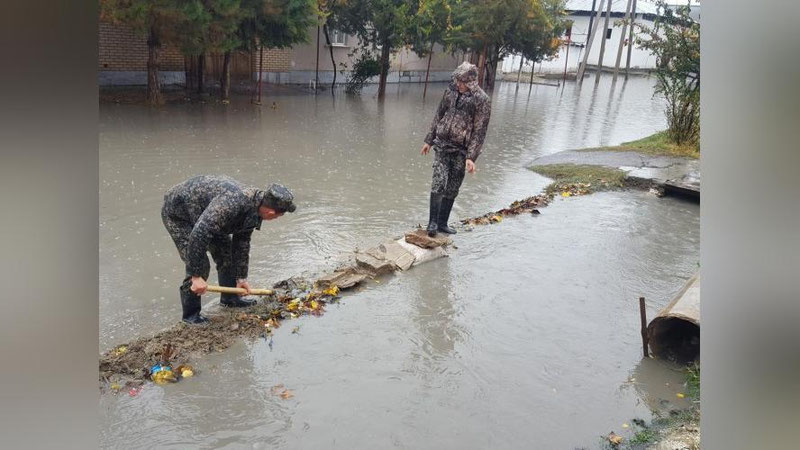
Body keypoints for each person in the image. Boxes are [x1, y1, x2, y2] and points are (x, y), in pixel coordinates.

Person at [161, 175, 296, 324]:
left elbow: (242, 242)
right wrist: (196, 276)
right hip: (179, 214)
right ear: (271, 213)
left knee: (227, 255)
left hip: (207, 215)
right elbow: (199, 234)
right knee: (200, 265)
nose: (276, 219)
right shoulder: (232, 204)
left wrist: (241, 278)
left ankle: (230, 299)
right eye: (278, 216)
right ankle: (190, 316)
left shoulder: (255, 207)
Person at [420, 61, 492, 237]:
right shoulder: (451, 91)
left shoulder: (482, 100)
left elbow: (479, 131)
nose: (458, 84)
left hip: (462, 150)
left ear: (471, 82)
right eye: (457, 80)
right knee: (439, 181)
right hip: (442, 145)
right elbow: (439, 114)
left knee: (453, 187)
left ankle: (443, 223)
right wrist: (429, 140)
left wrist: (471, 157)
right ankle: (432, 223)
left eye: (462, 81)